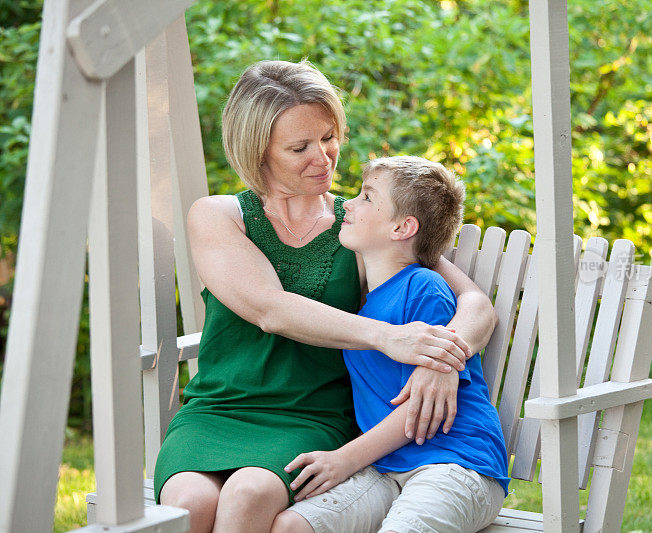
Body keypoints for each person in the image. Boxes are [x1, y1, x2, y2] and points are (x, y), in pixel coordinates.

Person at [154, 60, 496, 533]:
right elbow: (270, 309)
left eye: (329, 136)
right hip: (218, 409)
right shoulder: (218, 216)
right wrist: (387, 337)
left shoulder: (359, 226)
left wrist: (441, 362)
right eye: (300, 147)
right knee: (188, 504)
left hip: (312, 416)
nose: (325, 157)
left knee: (248, 495)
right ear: (259, 151)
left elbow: (475, 303)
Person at [273, 156, 508, 533]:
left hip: (455, 465)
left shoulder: (423, 288)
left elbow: (422, 409)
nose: (347, 203)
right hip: (387, 467)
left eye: (366, 196)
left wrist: (344, 459)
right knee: (292, 526)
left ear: (403, 227)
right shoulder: (367, 304)